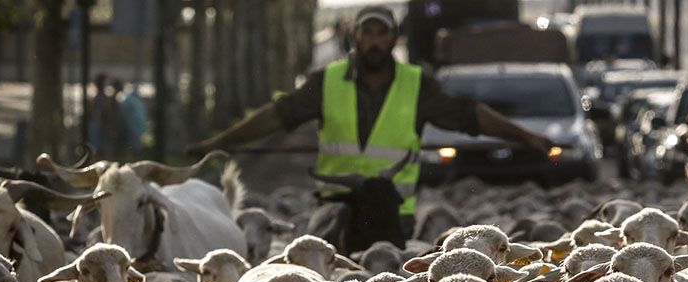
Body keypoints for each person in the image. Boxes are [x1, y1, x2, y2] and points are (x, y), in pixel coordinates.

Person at [185, 5, 554, 237]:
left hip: (394, 212)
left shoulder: (416, 85)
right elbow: (277, 116)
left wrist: (525, 136)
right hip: (336, 208)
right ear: (354, 37)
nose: (374, 41)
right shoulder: (326, 82)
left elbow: (471, 116)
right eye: (367, 32)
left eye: (382, 33)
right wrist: (220, 143)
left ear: (393, 38)